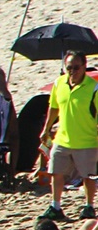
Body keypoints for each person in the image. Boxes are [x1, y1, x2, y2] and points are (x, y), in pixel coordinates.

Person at [41, 50, 98, 220]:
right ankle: (55, 206)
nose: (72, 71)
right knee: (56, 172)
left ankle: (89, 206)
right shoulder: (59, 84)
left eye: (76, 67)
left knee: (88, 175)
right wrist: (46, 128)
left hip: (86, 139)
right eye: (69, 68)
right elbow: (53, 108)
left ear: (84, 66)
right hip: (62, 138)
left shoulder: (94, 88)